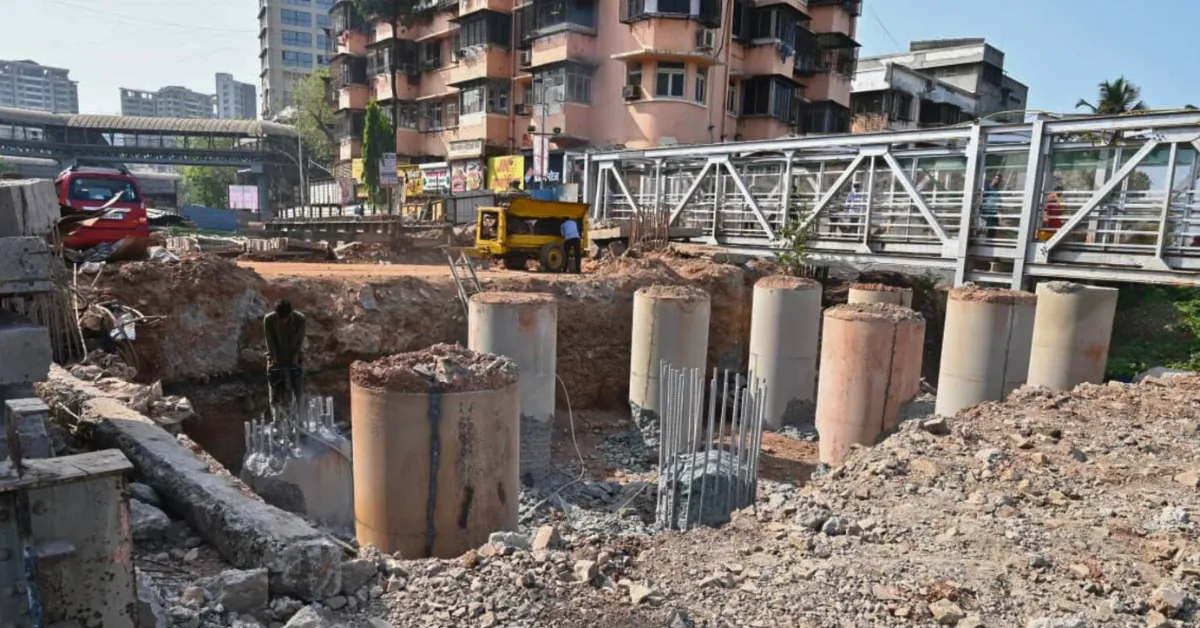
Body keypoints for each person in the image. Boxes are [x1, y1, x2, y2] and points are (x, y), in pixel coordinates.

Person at [264, 299, 306, 418]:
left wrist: (296, 355)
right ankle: (277, 419)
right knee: (275, 391)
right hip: (276, 358)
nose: (283, 321)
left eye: (286, 318)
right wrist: (274, 356)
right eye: (281, 318)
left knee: (298, 389)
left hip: (293, 357)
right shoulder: (269, 320)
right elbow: (269, 340)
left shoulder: (300, 319)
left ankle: (300, 418)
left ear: (290, 314)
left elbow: (300, 340)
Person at [980, 174, 1002, 238]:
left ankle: (990, 238)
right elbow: (983, 195)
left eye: (998, 179)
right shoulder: (988, 187)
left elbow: (999, 200)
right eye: (995, 178)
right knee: (986, 224)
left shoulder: (997, 190)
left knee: (994, 224)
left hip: (993, 210)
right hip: (986, 209)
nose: (996, 180)